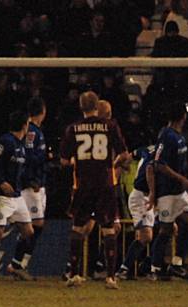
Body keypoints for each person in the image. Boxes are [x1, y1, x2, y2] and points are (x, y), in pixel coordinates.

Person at [60, 91, 129, 289]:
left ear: (81, 107)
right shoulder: (110, 126)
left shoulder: (73, 129)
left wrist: (77, 160)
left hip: (83, 184)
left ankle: (74, 274)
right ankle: (110, 277)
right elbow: (124, 154)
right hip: (104, 183)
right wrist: (112, 161)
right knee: (108, 228)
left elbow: (64, 160)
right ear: (97, 106)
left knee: (77, 227)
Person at [148, 101, 188, 281]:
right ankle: (155, 268)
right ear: (183, 117)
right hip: (167, 192)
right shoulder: (167, 135)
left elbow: (179, 163)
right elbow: (159, 164)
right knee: (166, 230)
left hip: (179, 192)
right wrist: (181, 179)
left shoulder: (179, 137)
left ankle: (177, 264)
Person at [8, 97, 48, 279]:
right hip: (31, 186)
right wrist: (33, 179)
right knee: (35, 225)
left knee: (33, 225)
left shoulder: (35, 131)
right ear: (43, 111)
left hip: (36, 184)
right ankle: (17, 264)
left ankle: (19, 264)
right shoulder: (32, 132)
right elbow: (29, 156)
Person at [0, 111, 35, 282]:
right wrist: (1, 182)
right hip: (1, 195)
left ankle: (15, 264)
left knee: (28, 231)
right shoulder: (5, 141)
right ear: (24, 125)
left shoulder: (21, 144)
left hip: (17, 197)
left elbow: (22, 168)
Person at [116, 145, 156, 280]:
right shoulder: (161, 154)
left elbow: (133, 153)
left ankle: (149, 267)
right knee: (146, 236)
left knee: (158, 232)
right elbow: (149, 169)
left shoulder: (150, 149)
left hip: (150, 197)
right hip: (141, 197)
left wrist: (124, 162)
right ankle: (125, 269)